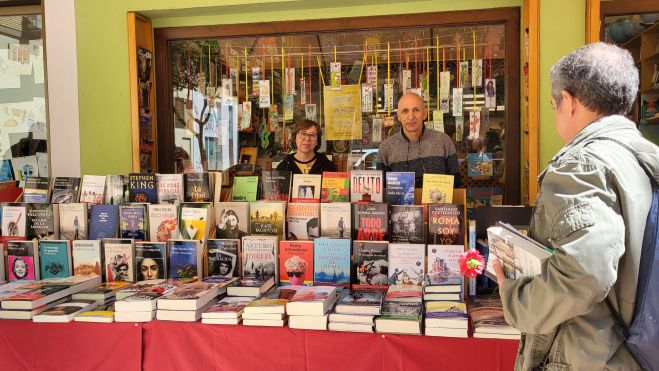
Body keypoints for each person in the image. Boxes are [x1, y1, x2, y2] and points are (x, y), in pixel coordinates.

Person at [492, 42, 659, 370]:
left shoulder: (582, 164)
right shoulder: (645, 156)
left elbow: (585, 273)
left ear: (567, 101)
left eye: (553, 104)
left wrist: (515, 296)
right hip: (636, 349)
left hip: (590, 355)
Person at [376, 92, 459, 188]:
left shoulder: (443, 142)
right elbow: (381, 192)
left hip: (438, 202)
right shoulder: (386, 148)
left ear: (425, 114)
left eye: (416, 110)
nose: (411, 116)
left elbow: (456, 186)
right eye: (405, 111)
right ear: (398, 116)